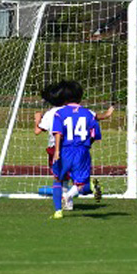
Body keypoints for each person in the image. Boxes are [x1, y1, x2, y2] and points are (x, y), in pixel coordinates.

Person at [34, 82, 113, 211]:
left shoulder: (53, 113)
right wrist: (107, 114)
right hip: (79, 148)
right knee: (79, 179)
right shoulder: (85, 111)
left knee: (60, 179)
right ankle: (77, 194)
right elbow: (96, 118)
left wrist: (37, 119)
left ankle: (65, 203)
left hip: (56, 148)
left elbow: (38, 131)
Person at [50, 80, 102, 219]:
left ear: (64, 97)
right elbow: (95, 134)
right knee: (80, 183)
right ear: (80, 96)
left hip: (65, 150)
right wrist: (86, 144)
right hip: (82, 151)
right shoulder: (89, 114)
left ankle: (58, 211)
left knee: (57, 180)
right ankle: (69, 196)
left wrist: (56, 151)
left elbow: (58, 133)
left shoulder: (60, 113)